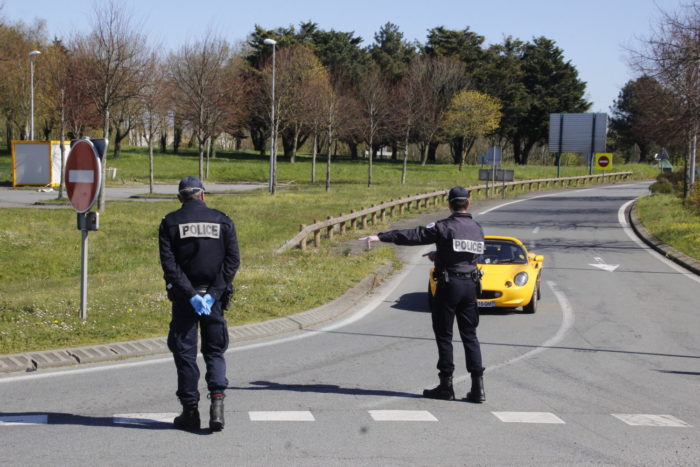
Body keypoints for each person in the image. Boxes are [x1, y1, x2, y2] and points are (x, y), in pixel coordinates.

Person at [360, 186, 486, 403]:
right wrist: (439, 254)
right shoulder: (477, 227)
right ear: (469, 204)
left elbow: (413, 235)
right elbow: (467, 255)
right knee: (470, 336)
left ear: (449, 204)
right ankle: (478, 389)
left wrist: (381, 236)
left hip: (449, 286)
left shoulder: (444, 226)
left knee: (444, 336)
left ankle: (446, 386)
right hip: (471, 287)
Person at [159, 176, 240, 431]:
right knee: (214, 350)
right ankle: (217, 407)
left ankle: (190, 412)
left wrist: (190, 294)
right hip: (213, 300)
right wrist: (213, 293)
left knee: (185, 354)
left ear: (180, 198)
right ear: (203, 195)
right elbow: (232, 260)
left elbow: (170, 266)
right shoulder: (223, 220)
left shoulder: (170, 223)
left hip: (186, 300)